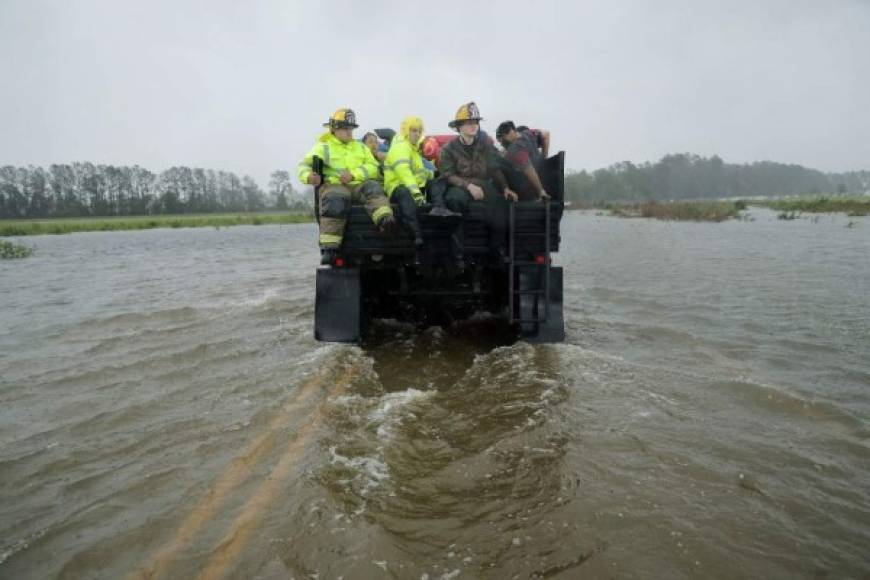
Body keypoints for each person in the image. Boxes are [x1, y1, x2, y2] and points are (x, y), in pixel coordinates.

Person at [297, 108, 395, 264]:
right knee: (335, 199)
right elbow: (303, 166)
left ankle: (385, 221)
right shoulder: (324, 147)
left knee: (374, 188)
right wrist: (308, 177)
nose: (350, 132)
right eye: (346, 128)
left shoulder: (360, 147)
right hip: (334, 185)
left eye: (351, 129)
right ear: (334, 129)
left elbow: (372, 167)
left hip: (357, 183)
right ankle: (330, 249)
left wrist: (354, 175)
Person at [434, 102, 518, 261]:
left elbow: (494, 169)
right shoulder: (448, 149)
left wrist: (505, 188)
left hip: (481, 184)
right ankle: (457, 252)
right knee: (453, 200)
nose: (474, 126)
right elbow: (448, 175)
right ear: (459, 127)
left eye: (476, 122)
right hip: (459, 185)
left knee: (501, 202)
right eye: (469, 123)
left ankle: (496, 249)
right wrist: (468, 186)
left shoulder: (485, 146)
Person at [384, 116, 433, 257]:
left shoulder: (413, 149)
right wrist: (417, 193)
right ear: (406, 131)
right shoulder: (400, 147)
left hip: (412, 186)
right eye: (413, 130)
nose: (417, 134)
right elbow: (404, 172)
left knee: (435, 184)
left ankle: (439, 214)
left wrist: (434, 175)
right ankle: (416, 234)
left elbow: (420, 173)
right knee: (406, 195)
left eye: (419, 131)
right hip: (396, 187)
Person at [496, 121, 552, 201]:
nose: (502, 144)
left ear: (506, 135)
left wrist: (540, 191)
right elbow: (546, 134)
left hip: (529, 187)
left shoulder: (515, 148)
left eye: (501, 140)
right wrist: (544, 158)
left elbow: (529, 170)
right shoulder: (528, 133)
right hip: (543, 176)